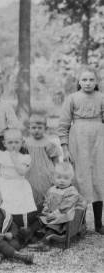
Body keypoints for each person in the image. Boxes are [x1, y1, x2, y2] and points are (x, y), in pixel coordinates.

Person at [58, 68, 104, 234]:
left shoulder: (101, 97)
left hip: (99, 142)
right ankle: (80, 223)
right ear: (78, 82)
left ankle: (98, 223)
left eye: (91, 79)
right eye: (84, 80)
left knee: (99, 179)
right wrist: (65, 149)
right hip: (78, 142)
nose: (88, 83)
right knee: (80, 179)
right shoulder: (72, 98)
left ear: (96, 82)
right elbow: (63, 125)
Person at [25, 162, 87, 250]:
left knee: (52, 227)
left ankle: (44, 243)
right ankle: (27, 235)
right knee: (37, 221)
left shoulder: (71, 192)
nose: (62, 180)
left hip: (62, 217)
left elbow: (66, 206)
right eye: (59, 177)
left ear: (71, 179)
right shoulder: (52, 189)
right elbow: (47, 200)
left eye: (66, 178)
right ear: (54, 178)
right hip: (50, 214)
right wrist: (46, 208)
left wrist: (55, 213)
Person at [0, 129, 37, 228]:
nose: (13, 145)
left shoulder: (24, 157)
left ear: (22, 143)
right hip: (3, 183)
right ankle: (3, 225)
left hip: (18, 184)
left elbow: (22, 172)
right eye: (10, 142)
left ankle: (20, 226)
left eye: (17, 142)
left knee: (19, 205)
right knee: (3, 205)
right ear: (4, 144)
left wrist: (14, 159)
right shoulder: (1, 154)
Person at [25, 113, 60, 208]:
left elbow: (56, 160)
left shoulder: (48, 144)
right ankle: (34, 214)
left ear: (45, 128)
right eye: (33, 128)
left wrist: (57, 173)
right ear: (29, 128)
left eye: (40, 128)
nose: (36, 130)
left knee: (46, 192)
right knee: (32, 192)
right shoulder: (26, 143)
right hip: (31, 172)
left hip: (46, 173)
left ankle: (46, 212)